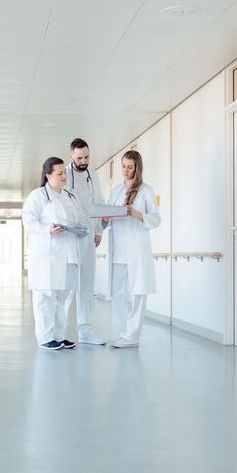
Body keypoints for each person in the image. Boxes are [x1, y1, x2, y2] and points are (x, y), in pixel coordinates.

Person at [22, 157, 89, 351]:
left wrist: (81, 230)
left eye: (64, 173)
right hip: (47, 255)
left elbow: (80, 219)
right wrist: (47, 230)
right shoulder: (38, 195)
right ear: (48, 175)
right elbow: (28, 219)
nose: (63, 176)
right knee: (46, 296)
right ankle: (45, 337)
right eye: (59, 173)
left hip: (69, 254)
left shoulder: (69, 196)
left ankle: (59, 336)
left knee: (63, 296)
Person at [105, 149, 161, 348]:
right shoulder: (116, 191)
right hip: (119, 249)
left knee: (137, 293)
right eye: (123, 166)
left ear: (137, 168)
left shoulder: (146, 190)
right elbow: (108, 216)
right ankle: (123, 333)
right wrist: (104, 219)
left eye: (130, 167)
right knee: (118, 293)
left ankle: (132, 337)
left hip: (137, 249)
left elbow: (156, 220)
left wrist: (137, 214)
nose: (126, 170)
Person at [65, 137, 106, 345]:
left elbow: (99, 203)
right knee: (66, 284)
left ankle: (86, 331)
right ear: (71, 155)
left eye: (87, 157)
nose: (84, 161)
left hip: (89, 235)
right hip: (69, 236)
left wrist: (99, 231)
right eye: (79, 157)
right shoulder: (63, 174)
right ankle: (59, 332)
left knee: (87, 283)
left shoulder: (94, 176)